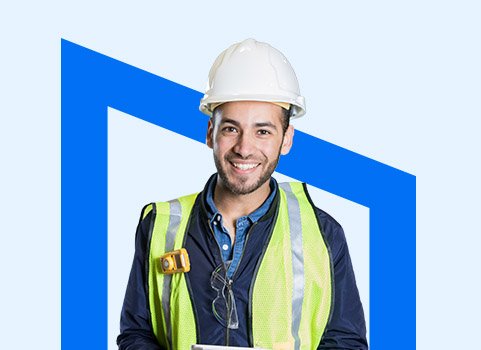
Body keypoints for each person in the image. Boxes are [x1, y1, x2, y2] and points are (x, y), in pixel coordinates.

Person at [117, 38, 368, 350]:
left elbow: (345, 341)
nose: (245, 148)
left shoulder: (322, 233)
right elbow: (136, 335)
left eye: (263, 131)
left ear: (286, 139)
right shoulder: (159, 225)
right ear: (211, 132)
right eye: (231, 129)